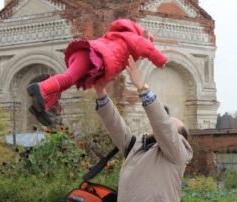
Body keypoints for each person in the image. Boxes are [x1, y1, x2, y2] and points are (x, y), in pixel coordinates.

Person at [93, 55, 193, 202]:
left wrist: (141, 86)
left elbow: (161, 124)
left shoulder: (177, 153)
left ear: (177, 137)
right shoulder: (137, 146)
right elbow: (115, 126)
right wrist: (101, 93)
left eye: (171, 124)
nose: (164, 123)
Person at [27, 19, 167, 126]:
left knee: (66, 83)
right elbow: (147, 48)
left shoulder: (120, 43)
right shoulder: (134, 38)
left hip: (88, 56)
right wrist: (160, 61)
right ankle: (40, 87)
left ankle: (41, 106)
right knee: (68, 78)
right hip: (89, 55)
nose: (142, 57)